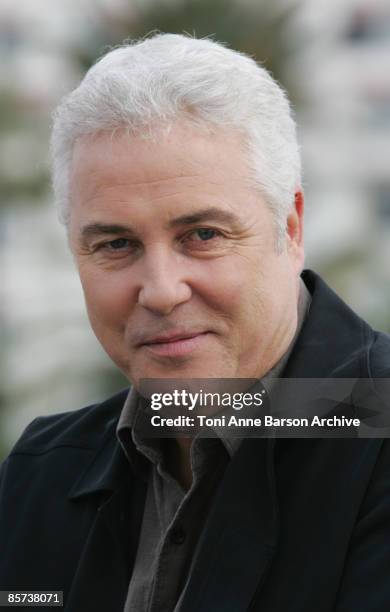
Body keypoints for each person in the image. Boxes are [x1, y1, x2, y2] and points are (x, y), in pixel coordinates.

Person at [0, 33, 390, 612]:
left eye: (203, 235)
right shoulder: (42, 474)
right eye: (115, 243)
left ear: (291, 229)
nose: (160, 290)